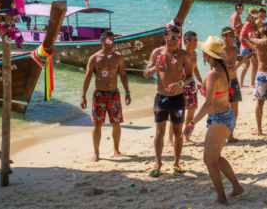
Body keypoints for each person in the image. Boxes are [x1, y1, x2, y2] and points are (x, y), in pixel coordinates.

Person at [184, 37, 245, 204]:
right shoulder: (223, 69)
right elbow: (215, 93)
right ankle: (237, 188)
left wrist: (192, 123)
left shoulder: (213, 74)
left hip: (220, 119)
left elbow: (208, 103)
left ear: (208, 55)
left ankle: (221, 198)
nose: (202, 54)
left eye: (204, 52)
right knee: (216, 158)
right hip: (226, 116)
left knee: (209, 161)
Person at [142, 25, 188, 176]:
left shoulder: (183, 55)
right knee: (159, 132)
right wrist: (156, 67)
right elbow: (146, 74)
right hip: (161, 98)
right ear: (165, 36)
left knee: (178, 132)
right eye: (170, 36)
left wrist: (180, 83)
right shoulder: (157, 53)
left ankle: (176, 162)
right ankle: (158, 162)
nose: (173, 40)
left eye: (176, 37)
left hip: (178, 99)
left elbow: (190, 77)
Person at [81, 31, 131, 161]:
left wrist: (127, 92)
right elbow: (87, 77)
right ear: (102, 42)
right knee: (97, 124)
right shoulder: (94, 58)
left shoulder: (118, 57)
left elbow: (123, 75)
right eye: (109, 40)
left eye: (113, 40)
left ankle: (116, 150)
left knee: (116, 122)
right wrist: (83, 96)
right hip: (99, 95)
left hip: (114, 93)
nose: (112, 42)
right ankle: (96, 153)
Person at [241, 22, 267, 136]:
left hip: (261, 74)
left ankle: (259, 130)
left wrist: (254, 34)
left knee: (260, 103)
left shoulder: (258, 42)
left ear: (263, 32)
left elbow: (245, 38)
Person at [219, 27, 247, 143]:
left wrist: (239, 61)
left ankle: (230, 133)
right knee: (222, 107)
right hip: (223, 81)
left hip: (233, 80)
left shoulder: (236, 49)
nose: (227, 39)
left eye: (229, 36)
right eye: (224, 36)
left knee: (234, 107)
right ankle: (220, 133)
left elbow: (241, 60)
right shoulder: (219, 50)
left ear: (233, 37)